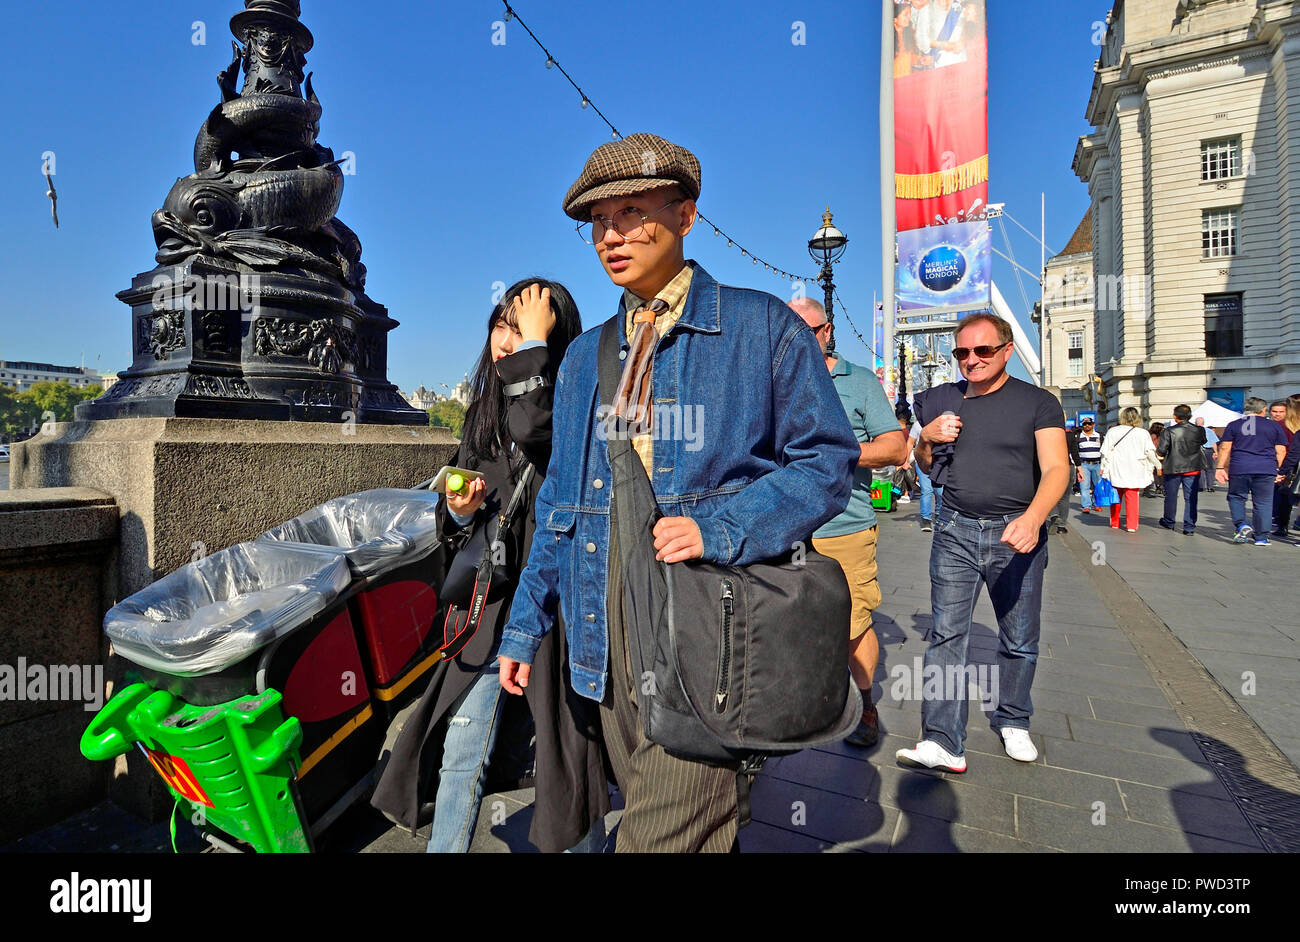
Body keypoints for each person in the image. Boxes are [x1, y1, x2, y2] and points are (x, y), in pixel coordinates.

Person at [497, 133, 858, 852]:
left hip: (710, 630)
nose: (612, 235)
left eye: (632, 212)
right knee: (668, 822)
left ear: (686, 215)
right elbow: (561, 502)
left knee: (657, 836)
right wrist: (526, 622)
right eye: (598, 221)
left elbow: (827, 461)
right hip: (607, 633)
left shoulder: (761, 328)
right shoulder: (583, 359)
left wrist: (722, 527)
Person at [370, 278, 609, 853]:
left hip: (557, 599)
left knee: (569, 745)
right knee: (464, 738)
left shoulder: (575, 401)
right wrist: (457, 511)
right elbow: (454, 523)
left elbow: (535, 428)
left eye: (523, 326)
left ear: (553, 336)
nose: (507, 340)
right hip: (495, 595)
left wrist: (535, 350)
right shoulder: (482, 412)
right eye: (501, 325)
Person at [896, 312, 1069, 772]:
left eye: (982, 350)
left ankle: (1013, 718)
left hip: (1016, 533)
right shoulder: (939, 400)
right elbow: (925, 465)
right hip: (954, 529)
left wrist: (1034, 519)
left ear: (1007, 350)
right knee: (947, 635)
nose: (971, 360)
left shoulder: (1038, 403)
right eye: (962, 353)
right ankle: (941, 740)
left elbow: (1056, 469)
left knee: (1019, 637)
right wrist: (925, 441)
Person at [790, 296, 908, 748]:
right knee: (793, 620)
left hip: (845, 527)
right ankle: (806, 702)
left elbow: (896, 447)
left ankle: (866, 706)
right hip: (787, 529)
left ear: (825, 333)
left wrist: (837, 456)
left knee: (853, 622)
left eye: (804, 332)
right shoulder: (776, 380)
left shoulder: (857, 382)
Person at [1217, 397, 1289, 545]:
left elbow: (1225, 447)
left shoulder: (1234, 425)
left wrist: (1220, 467)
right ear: (1263, 410)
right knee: (1263, 502)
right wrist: (1280, 470)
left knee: (1237, 497)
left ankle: (1242, 524)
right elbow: (1280, 450)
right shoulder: (1274, 426)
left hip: (1240, 467)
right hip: (1266, 468)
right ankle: (1261, 537)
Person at [1099, 407, 1160, 532]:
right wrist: (1158, 465)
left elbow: (1105, 452)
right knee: (1132, 496)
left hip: (1116, 467)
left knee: (1115, 495)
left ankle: (1114, 521)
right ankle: (1131, 525)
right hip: (1135, 468)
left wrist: (1103, 467)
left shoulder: (1113, 431)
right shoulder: (1143, 433)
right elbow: (1149, 452)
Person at [1156, 404, 1208, 535]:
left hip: (1173, 467)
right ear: (1190, 416)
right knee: (1191, 497)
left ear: (1175, 416)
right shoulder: (1199, 430)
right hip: (1193, 467)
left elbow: (1161, 450)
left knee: (1171, 496)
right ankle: (1189, 526)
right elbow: (1203, 441)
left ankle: (1169, 520)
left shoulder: (1168, 431)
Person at [909, 417, 945, 530]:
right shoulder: (917, 425)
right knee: (926, 490)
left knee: (940, 492)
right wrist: (905, 461)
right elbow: (910, 442)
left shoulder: (941, 423)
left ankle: (939, 514)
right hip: (922, 461)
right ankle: (926, 519)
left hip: (939, 462)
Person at [1270, 400, 1296, 537]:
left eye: (1281, 411)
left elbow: (1285, 450)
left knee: (1282, 494)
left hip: (1285, 464)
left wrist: (1282, 469)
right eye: (1275, 411)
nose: (1278, 414)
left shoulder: (1283, 426)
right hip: (1286, 464)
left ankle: (1280, 522)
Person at [1076, 417, 1103, 512]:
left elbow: (1103, 451)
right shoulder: (1079, 436)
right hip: (1084, 464)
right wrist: (1077, 466)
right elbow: (1076, 451)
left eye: (1089, 423)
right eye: (1084, 424)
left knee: (1098, 485)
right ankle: (1086, 506)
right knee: (1084, 486)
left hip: (1097, 464)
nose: (1087, 425)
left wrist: (1103, 466)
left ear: (1093, 425)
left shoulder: (1099, 435)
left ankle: (1097, 504)